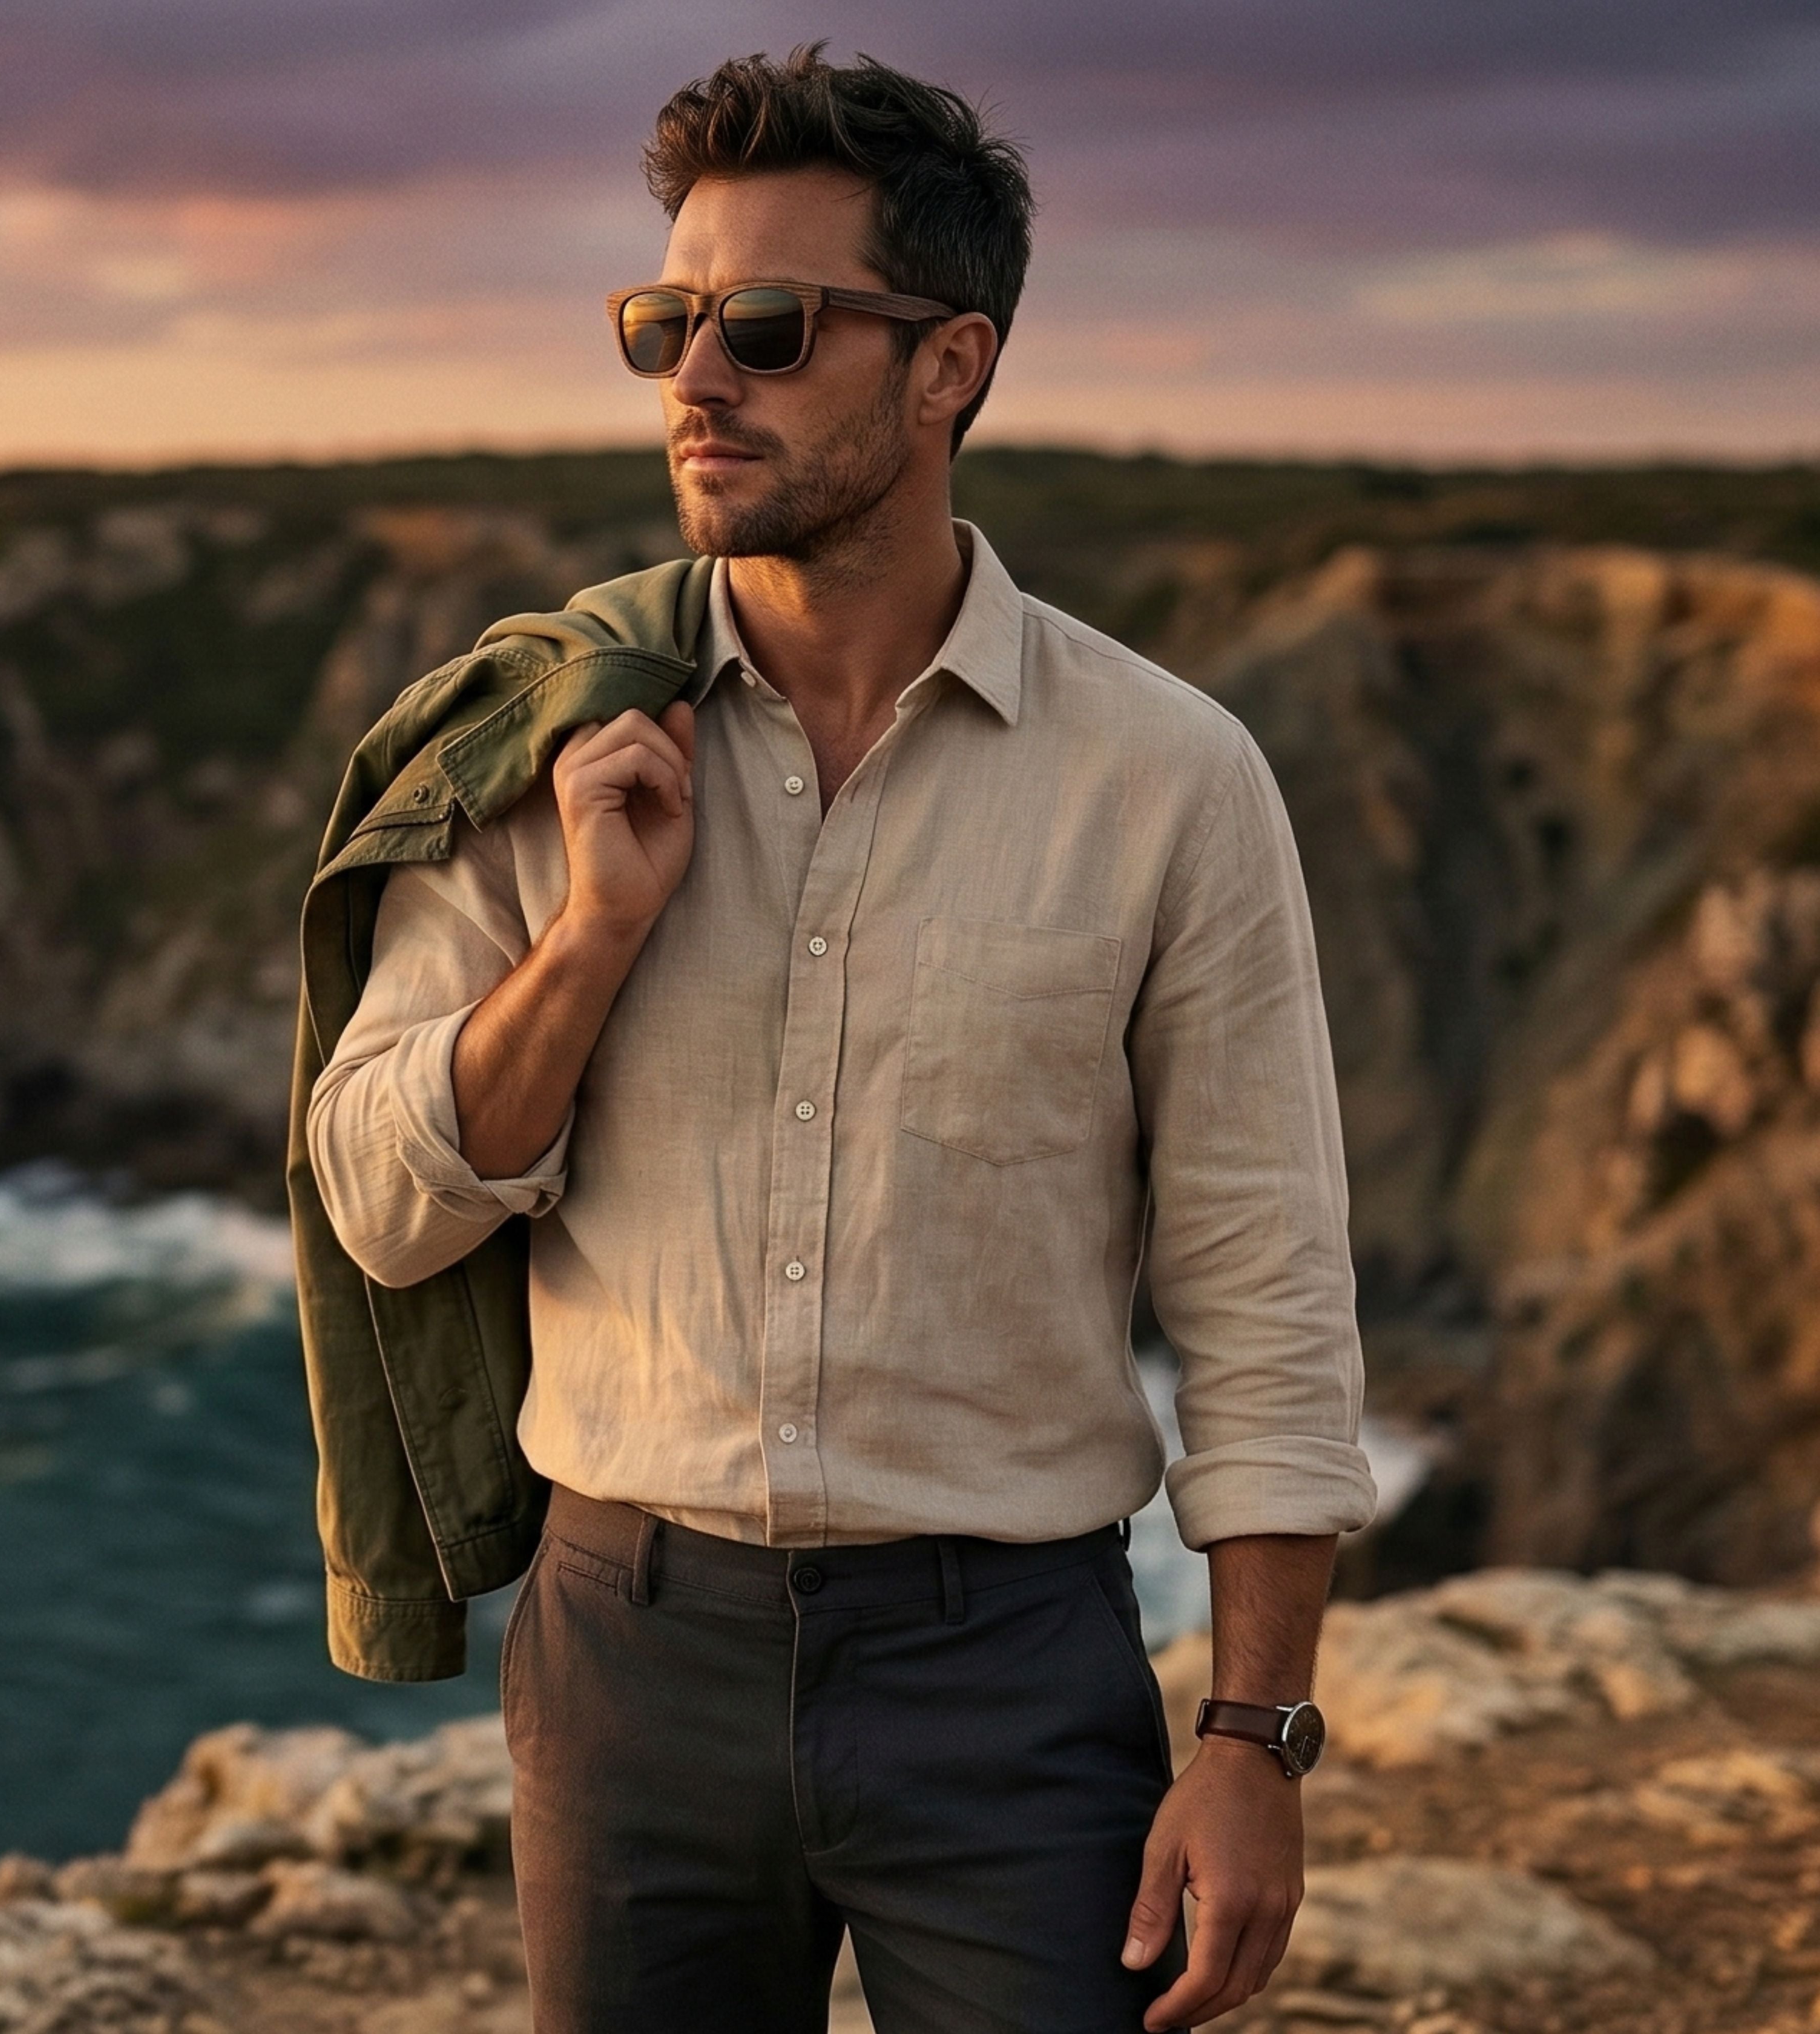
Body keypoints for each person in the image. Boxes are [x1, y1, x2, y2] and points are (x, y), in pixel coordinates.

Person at [305, 44, 1374, 2034]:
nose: (697, 380)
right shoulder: (536, 744)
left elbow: (1264, 1289)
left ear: (948, 366)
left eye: (770, 329)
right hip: (627, 1654)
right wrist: (595, 934)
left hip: (1010, 1670)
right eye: (666, 324)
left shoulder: (1169, 778)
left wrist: (1254, 1731)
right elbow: (376, 1199)